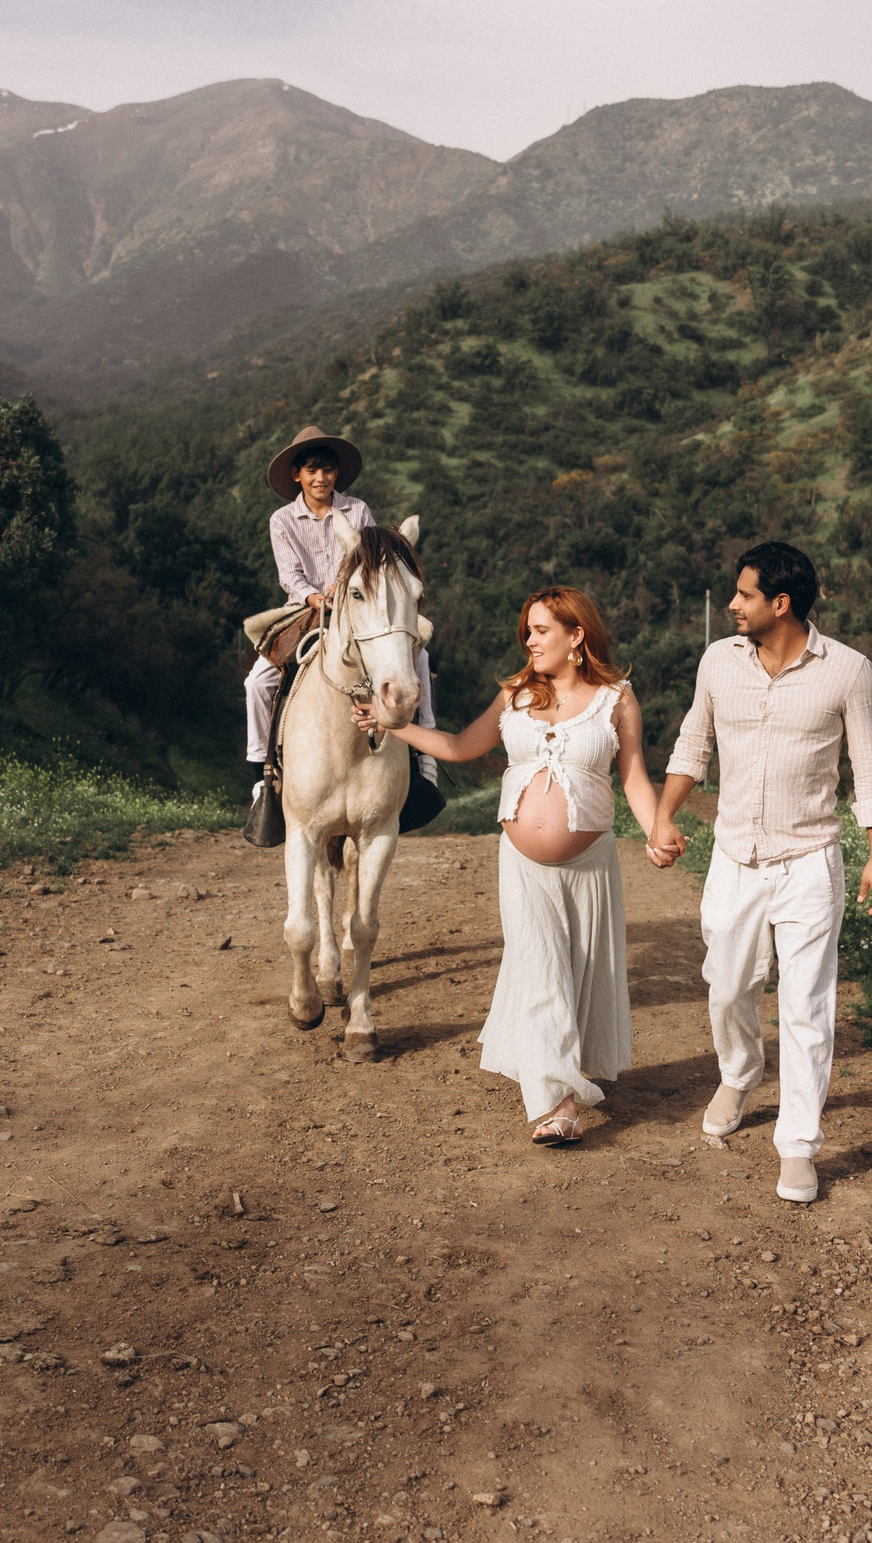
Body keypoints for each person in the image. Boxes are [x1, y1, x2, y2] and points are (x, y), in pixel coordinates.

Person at [362, 587, 661, 1145]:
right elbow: (455, 746)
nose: (529, 639)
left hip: (591, 863)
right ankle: (561, 1103)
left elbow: (635, 775)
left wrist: (656, 830)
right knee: (541, 968)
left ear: (576, 636)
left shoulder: (617, 699)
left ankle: (566, 1066)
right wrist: (391, 725)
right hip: (522, 864)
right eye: (527, 629)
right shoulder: (514, 694)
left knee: (580, 973)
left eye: (541, 630)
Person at [646, 542, 872, 1205]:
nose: (732, 604)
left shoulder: (847, 670)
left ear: (779, 604)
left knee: (808, 1007)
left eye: (743, 595)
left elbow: (868, 765)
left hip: (811, 861)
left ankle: (798, 1144)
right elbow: (693, 742)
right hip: (734, 858)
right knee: (728, 988)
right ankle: (741, 1070)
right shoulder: (718, 663)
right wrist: (664, 814)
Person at [246, 424, 437, 783]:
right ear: (297, 475)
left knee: (420, 654)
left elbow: (372, 558)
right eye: (312, 471)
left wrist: (342, 585)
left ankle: (423, 749)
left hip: (356, 601)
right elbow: (288, 573)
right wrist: (312, 595)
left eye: (328, 470)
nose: (321, 478)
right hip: (305, 609)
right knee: (258, 682)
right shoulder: (282, 519)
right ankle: (262, 768)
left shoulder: (358, 509)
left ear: (337, 473)